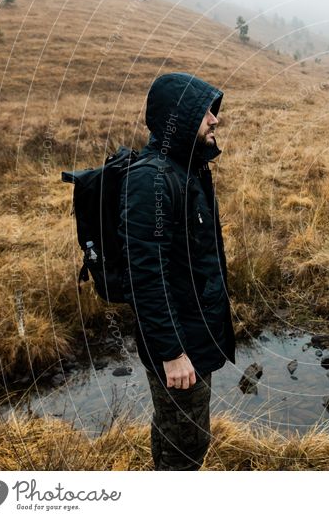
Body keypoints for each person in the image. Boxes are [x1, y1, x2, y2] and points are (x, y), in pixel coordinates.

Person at [119, 72, 236, 471]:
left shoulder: (187, 170)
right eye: (205, 111)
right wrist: (171, 353)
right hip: (179, 345)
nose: (214, 119)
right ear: (179, 118)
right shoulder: (151, 180)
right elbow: (145, 277)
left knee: (180, 436)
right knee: (185, 448)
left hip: (194, 335)